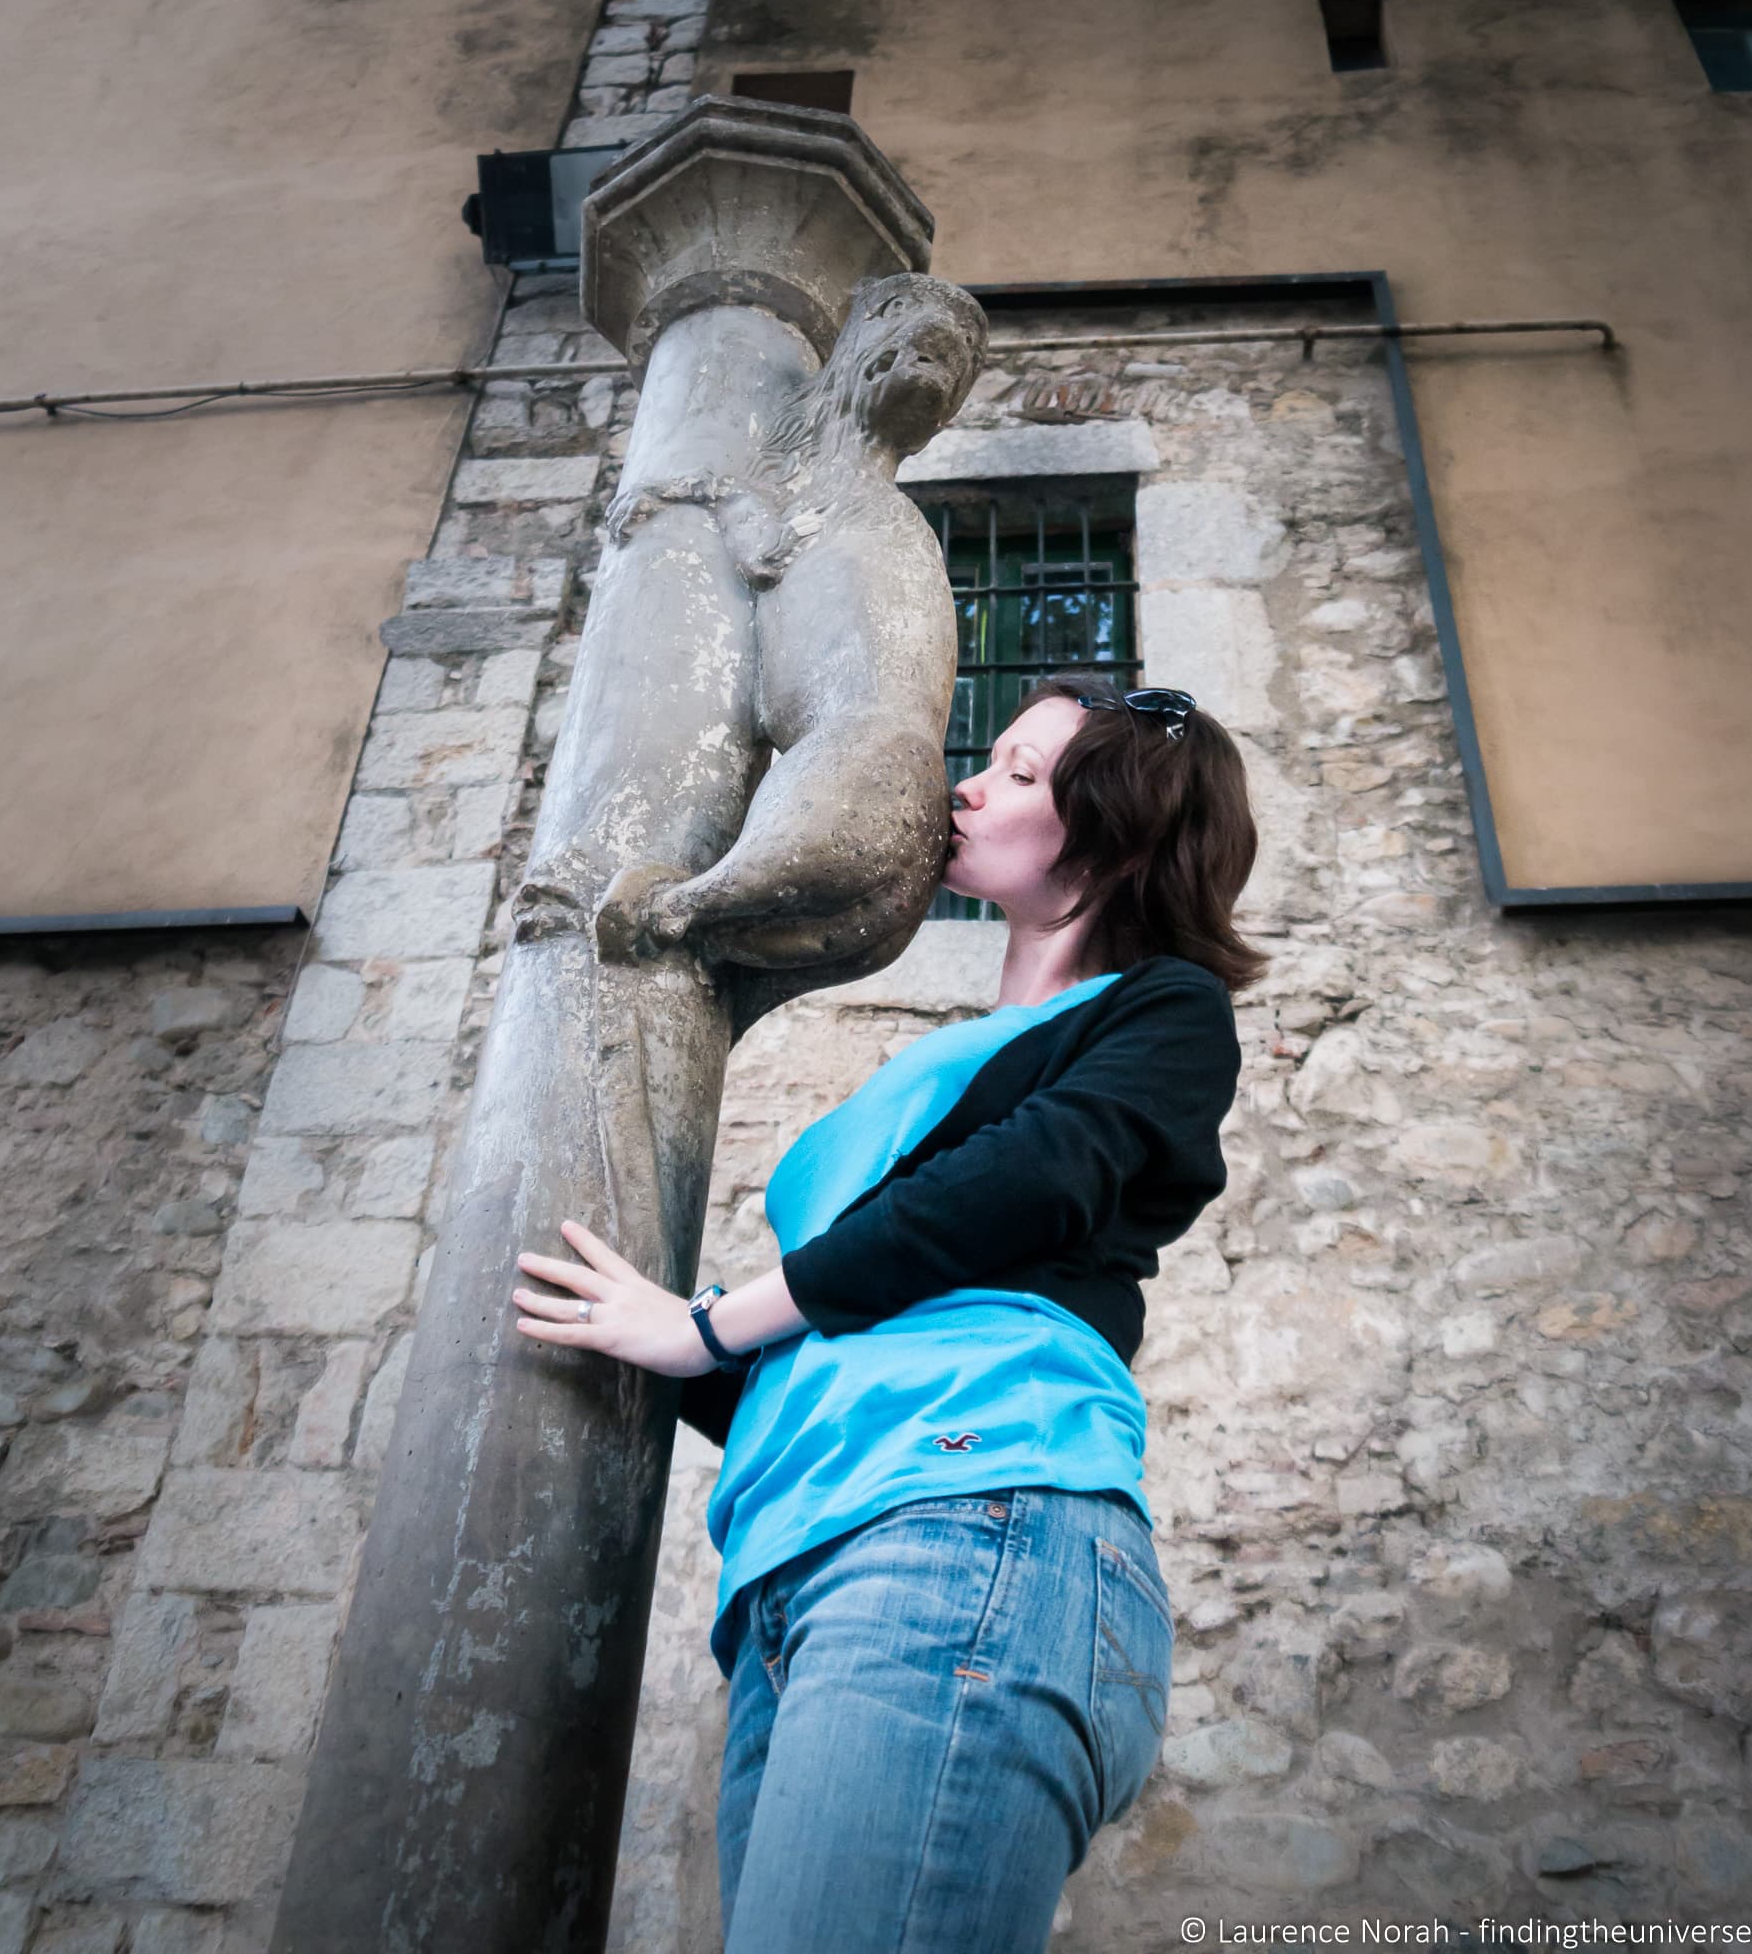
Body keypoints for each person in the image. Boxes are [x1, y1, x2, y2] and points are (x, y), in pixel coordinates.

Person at [512, 668, 1266, 1953]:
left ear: (1116, 836)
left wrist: (697, 1323)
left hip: (973, 1529)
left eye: (1021, 773)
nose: (967, 784)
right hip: (800, 1578)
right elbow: (823, 1351)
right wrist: (624, 1318)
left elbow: (1011, 1190)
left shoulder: (1164, 1014)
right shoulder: (948, 1064)